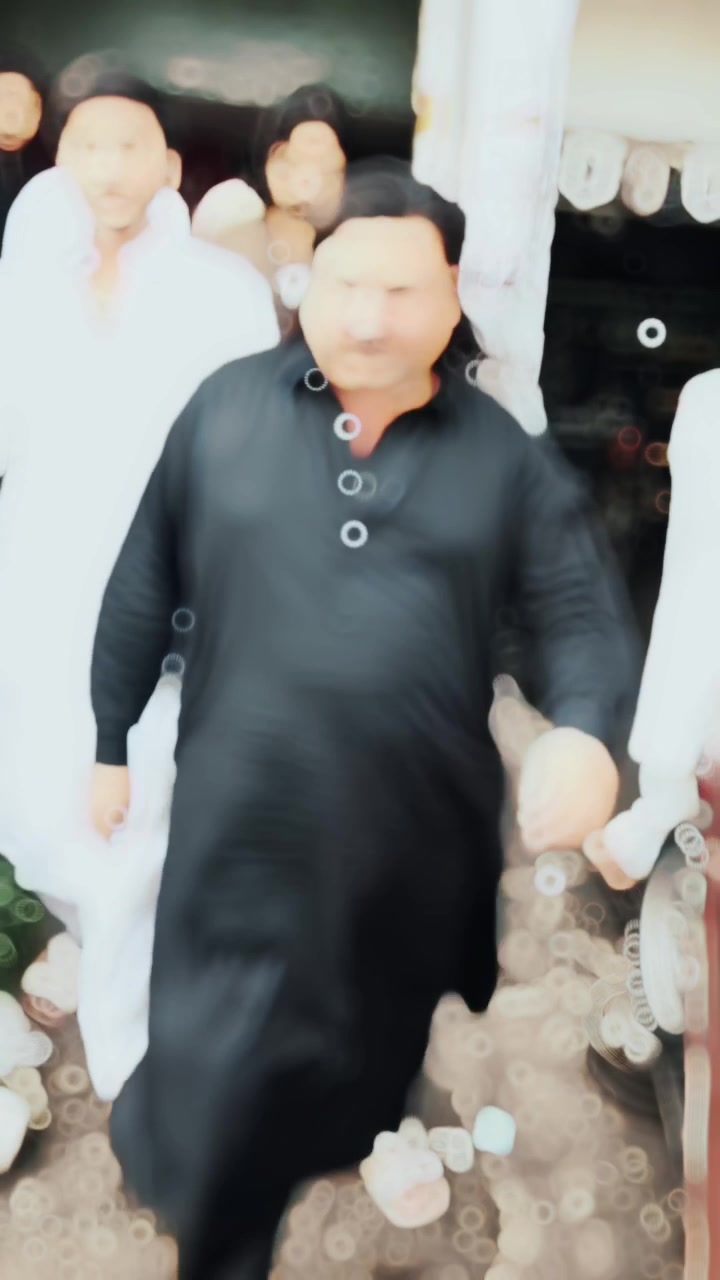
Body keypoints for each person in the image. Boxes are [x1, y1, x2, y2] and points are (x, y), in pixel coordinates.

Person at [90, 157, 637, 1279]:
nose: (370, 317)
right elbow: (143, 574)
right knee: (222, 1089)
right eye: (347, 284)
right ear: (309, 283)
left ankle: (341, 1132)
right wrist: (109, 737)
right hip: (237, 834)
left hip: (405, 848)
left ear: (451, 297)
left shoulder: (499, 456)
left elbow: (577, 609)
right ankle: (217, 1214)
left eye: (402, 290)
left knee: (359, 1056)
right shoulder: (227, 410)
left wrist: (585, 730)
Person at [0, 72, 278, 1102]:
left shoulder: (222, 290)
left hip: (162, 586)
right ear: (62, 160)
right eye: (88, 145)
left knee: (137, 802)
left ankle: (133, 1058)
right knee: (46, 800)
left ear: (168, 165)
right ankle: (108, 988)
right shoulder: (30, 281)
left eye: (130, 145)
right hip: (37, 579)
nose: (108, 167)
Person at [192, 83, 350, 322]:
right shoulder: (233, 210)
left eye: (326, 168)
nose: (308, 181)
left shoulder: (349, 250)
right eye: (294, 161)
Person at [0, 46, 50, 246]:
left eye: (17, 97)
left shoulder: (59, 166)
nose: (10, 110)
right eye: (2, 97)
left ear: (37, 106)